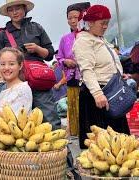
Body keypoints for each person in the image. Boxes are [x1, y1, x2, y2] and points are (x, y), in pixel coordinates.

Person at [0, 0, 60, 129]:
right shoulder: (2, 35)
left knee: (49, 117)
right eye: (11, 10)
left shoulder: (37, 27)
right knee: (16, 122)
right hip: (15, 83)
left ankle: (59, 149)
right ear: (7, 13)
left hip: (38, 80)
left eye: (17, 8)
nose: (14, 12)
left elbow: (50, 54)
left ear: (25, 9)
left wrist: (37, 49)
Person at [73, 5, 130, 149]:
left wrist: (117, 73)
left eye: (107, 23)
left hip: (111, 92)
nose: (105, 26)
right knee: (102, 146)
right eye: (102, 23)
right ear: (90, 22)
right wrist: (98, 94)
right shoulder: (84, 41)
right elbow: (87, 70)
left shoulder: (100, 39)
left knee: (119, 144)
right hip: (97, 97)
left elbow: (105, 63)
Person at [56, 2, 90, 136]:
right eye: (69, 18)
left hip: (88, 79)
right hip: (72, 80)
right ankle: (76, 135)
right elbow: (59, 58)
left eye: (75, 17)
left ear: (82, 17)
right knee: (74, 108)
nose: (72, 20)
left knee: (88, 108)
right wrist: (65, 61)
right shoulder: (65, 39)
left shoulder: (89, 36)